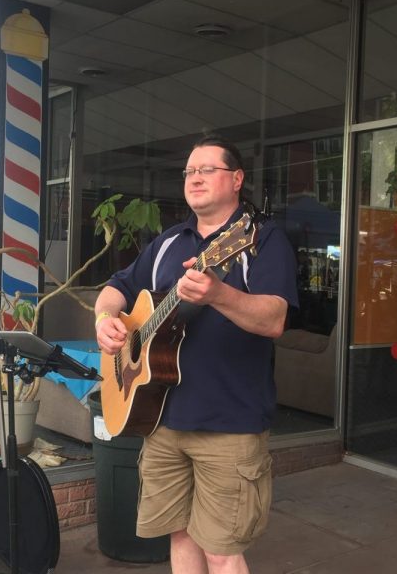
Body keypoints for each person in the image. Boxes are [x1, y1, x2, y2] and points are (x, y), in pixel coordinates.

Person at [94, 134, 298, 574]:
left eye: (207, 169)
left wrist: (219, 293)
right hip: (161, 419)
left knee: (223, 552)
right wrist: (105, 321)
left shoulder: (259, 240)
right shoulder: (168, 242)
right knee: (180, 535)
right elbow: (117, 288)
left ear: (237, 178)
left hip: (228, 423)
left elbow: (275, 319)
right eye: (189, 171)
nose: (195, 178)